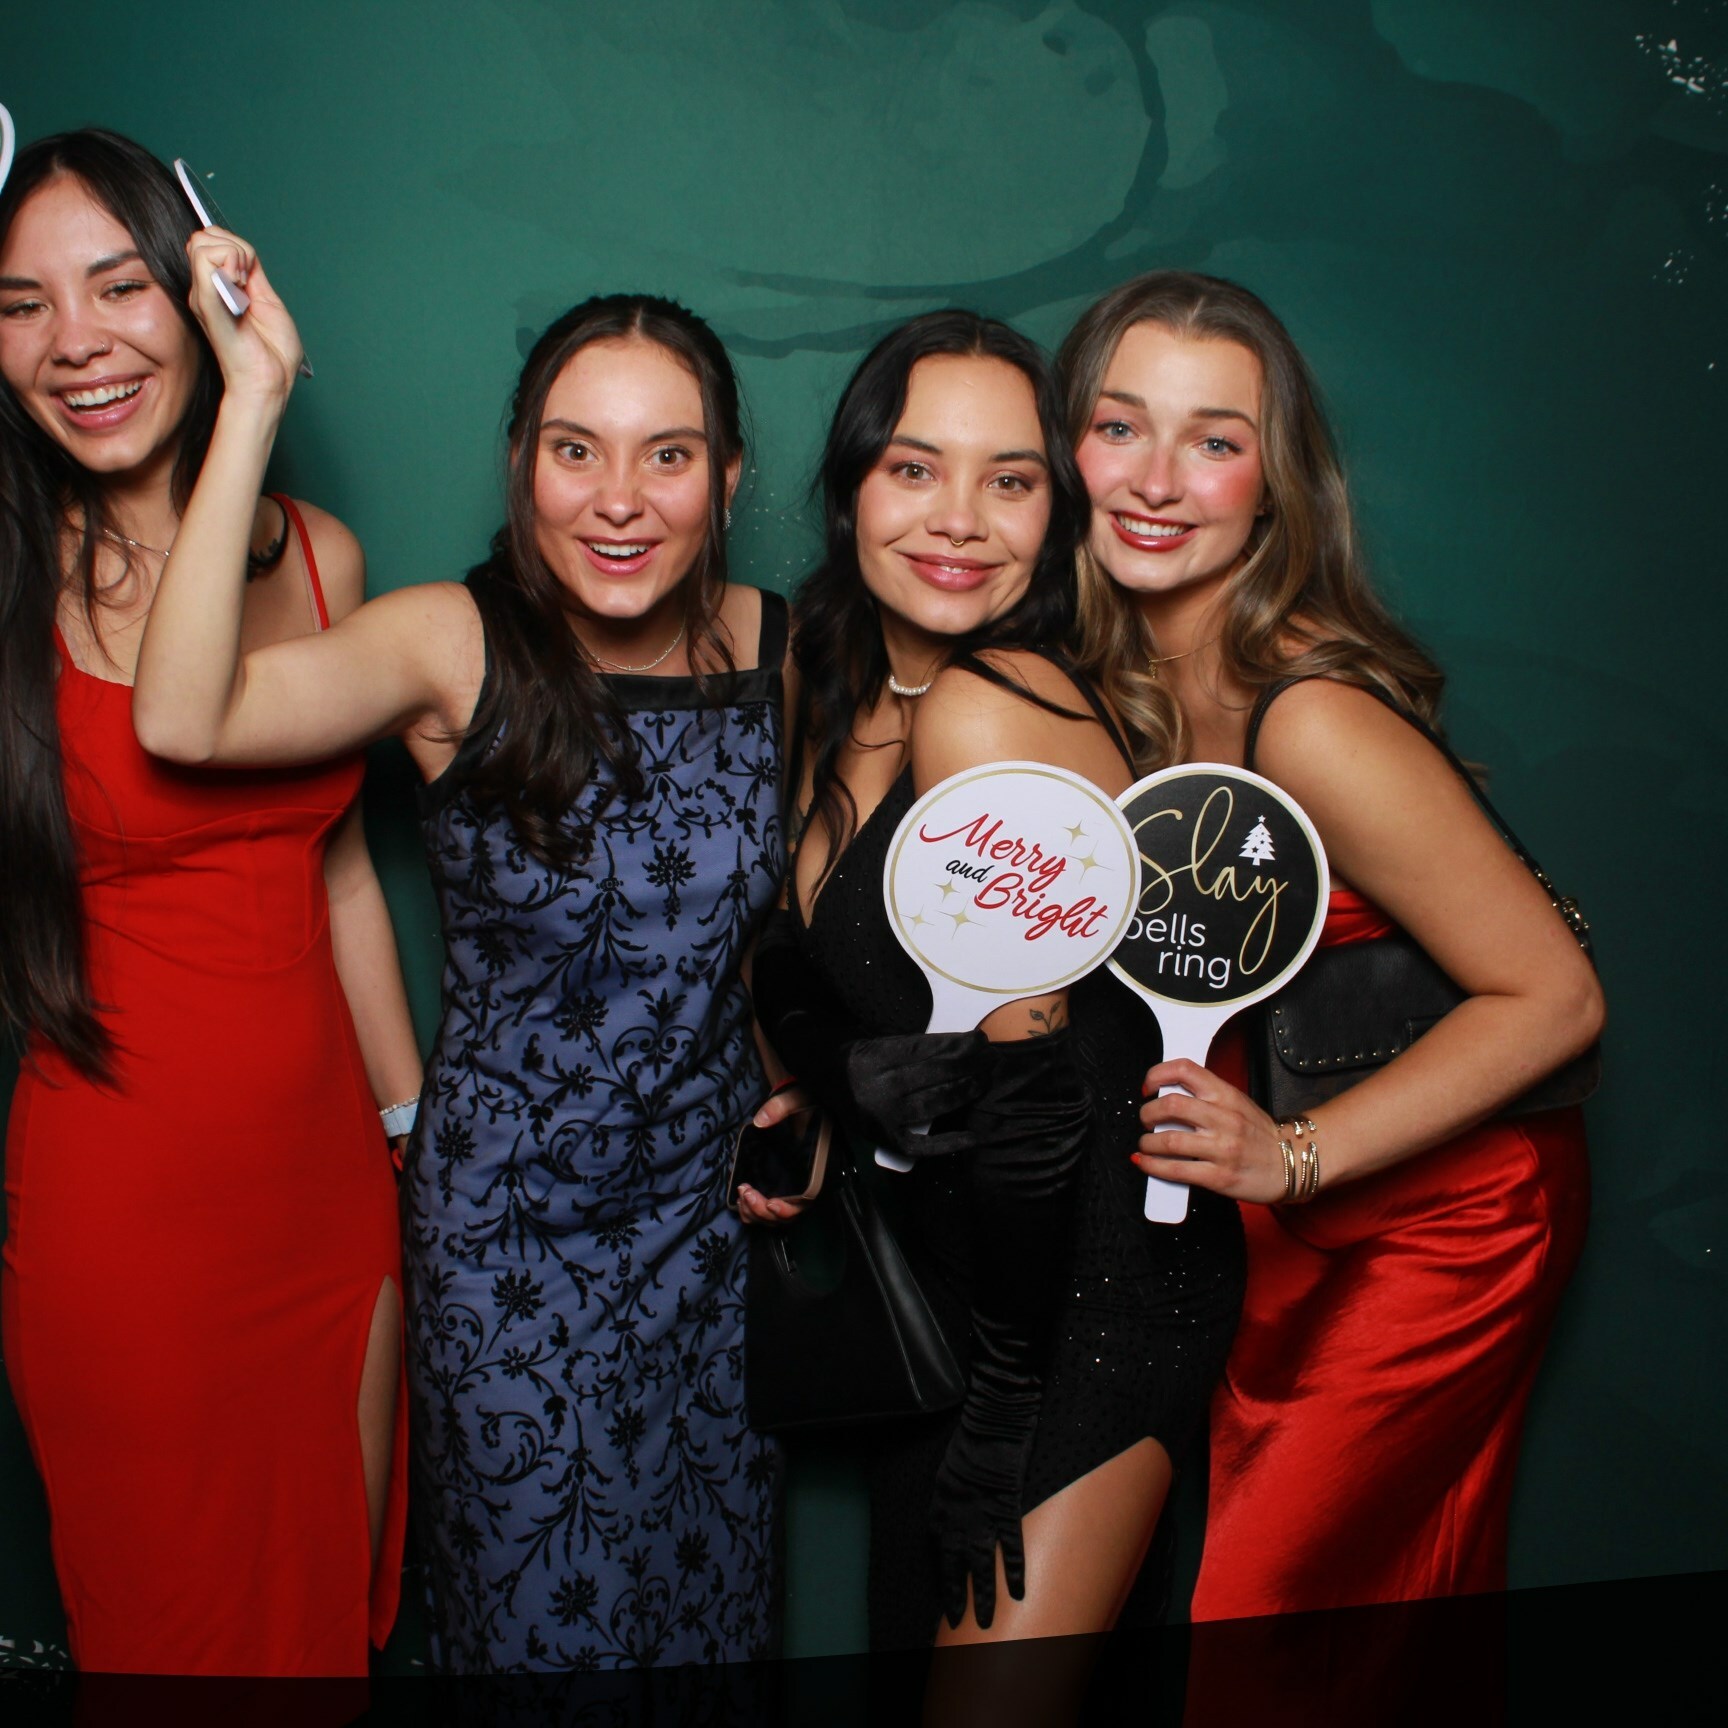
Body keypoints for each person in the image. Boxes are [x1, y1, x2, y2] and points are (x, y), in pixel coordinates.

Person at [128, 250, 786, 1669]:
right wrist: (251, 399)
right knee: (546, 1641)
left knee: (708, 1632)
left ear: (729, 479)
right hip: (510, 1247)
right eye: (575, 450)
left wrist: (809, 1090)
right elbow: (183, 719)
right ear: (522, 465)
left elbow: (777, 934)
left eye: (668, 455)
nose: (619, 499)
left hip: (712, 1242)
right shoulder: (451, 643)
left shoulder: (780, 651)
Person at [1058, 269, 1604, 1620]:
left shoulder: (1308, 715)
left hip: (1441, 1216)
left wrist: (1296, 1156)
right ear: (1068, 448)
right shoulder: (1117, 683)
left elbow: (1556, 996)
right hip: (1279, 1211)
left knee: (1269, 1611)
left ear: (1274, 486)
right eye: (1121, 425)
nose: (1157, 480)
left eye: (1215, 441)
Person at [745, 310, 1245, 1712]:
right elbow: (779, 949)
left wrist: (1010, 1408)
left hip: (1084, 1300)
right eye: (915, 469)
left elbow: (1038, 1112)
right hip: (954, 1292)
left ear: (1056, 513)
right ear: (851, 490)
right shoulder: (829, 677)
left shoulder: (990, 711)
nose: (959, 519)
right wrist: (836, 1080)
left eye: (1010, 480)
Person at [0, 129, 418, 1676]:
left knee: (322, 1636)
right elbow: (174, 730)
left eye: (119, 285)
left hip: (329, 1194)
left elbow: (337, 862)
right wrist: (247, 404)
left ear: (205, 293)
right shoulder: (9, 577)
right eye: (21, 305)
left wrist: (413, 1125)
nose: (76, 341)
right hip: (124, 1212)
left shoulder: (322, 560)